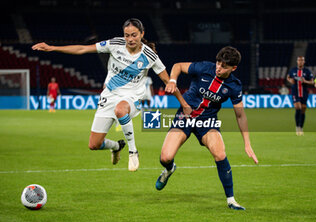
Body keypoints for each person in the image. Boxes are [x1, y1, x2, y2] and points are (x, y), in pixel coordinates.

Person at [32, 18, 190, 171]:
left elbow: (168, 82)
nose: (130, 39)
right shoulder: (115, 44)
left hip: (133, 98)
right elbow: (83, 49)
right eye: (127, 35)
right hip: (109, 96)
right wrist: (53, 48)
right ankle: (117, 146)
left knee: (121, 110)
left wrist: (183, 104)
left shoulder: (150, 56)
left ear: (142, 34)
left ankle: (133, 151)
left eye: (134, 35)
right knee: (94, 144)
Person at [154, 46, 259, 210]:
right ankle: (169, 170)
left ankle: (231, 200)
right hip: (185, 115)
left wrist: (247, 143)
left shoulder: (234, 86)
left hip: (207, 121)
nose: (218, 67)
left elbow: (240, 115)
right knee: (165, 158)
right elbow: (178, 66)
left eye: (224, 66)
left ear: (233, 68)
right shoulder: (204, 67)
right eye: (218, 63)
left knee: (220, 153)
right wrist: (173, 80)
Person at [286, 56, 314, 136]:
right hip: (295, 91)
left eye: (302, 60)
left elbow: (312, 82)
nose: (300, 61)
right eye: (299, 60)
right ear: (297, 61)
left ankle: (301, 127)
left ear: (304, 62)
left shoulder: (307, 71)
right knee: (298, 107)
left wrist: (305, 81)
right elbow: (288, 77)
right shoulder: (293, 70)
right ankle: (297, 126)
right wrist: (290, 80)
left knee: (303, 109)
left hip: (304, 92)